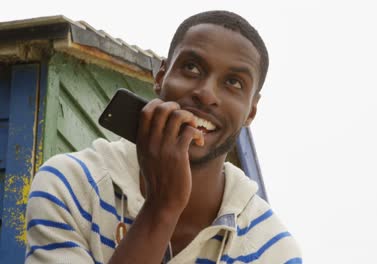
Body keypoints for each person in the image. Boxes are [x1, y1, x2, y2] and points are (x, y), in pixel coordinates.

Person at [25, 10, 302, 263]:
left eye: (233, 83)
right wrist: (162, 207)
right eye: (192, 67)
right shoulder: (70, 186)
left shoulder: (272, 250)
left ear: (251, 112)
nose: (206, 94)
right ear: (160, 77)